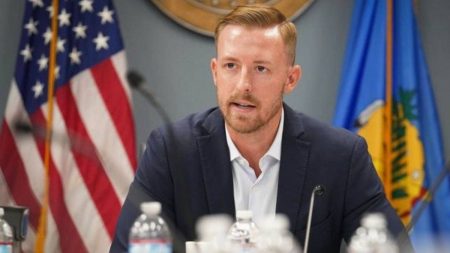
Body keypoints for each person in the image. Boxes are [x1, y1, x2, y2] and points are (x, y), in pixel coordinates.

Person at [110, 4, 412, 253]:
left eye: (261, 68)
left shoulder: (340, 157)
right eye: (231, 66)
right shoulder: (171, 150)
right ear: (215, 72)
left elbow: (395, 249)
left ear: (291, 79)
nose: (243, 85)